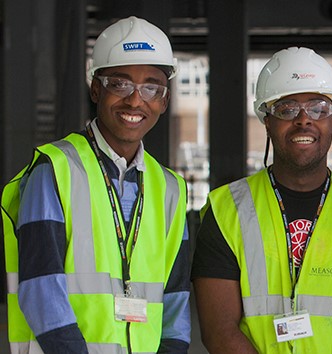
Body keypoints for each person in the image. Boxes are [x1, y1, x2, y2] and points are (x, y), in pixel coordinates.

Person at [1, 16, 191, 353]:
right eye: (120, 84)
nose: (135, 101)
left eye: (151, 87)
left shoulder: (170, 188)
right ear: (96, 89)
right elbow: (41, 290)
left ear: (164, 100)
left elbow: (175, 301)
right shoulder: (55, 171)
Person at [191, 46, 332, 353]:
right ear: (267, 121)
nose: (304, 120)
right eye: (287, 109)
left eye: (318, 108)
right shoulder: (226, 209)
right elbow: (220, 331)